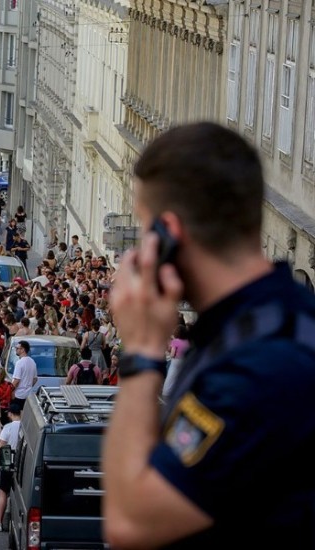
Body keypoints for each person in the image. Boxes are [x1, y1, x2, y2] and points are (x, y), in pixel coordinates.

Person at [103, 122, 315, 548]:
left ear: (169, 234)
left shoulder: (257, 364)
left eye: (145, 230)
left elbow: (130, 523)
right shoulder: (274, 319)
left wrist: (141, 351)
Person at [0, 402, 22, 533]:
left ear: (10, 413)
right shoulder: (26, 426)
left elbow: (1, 445)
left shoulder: (8, 427)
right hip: (22, 462)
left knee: (2, 491)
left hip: (8, 462)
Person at [10, 340, 37, 409]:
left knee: (16, 413)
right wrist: (28, 386)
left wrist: (11, 391)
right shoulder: (32, 362)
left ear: (22, 350)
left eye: (17, 348)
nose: (16, 350)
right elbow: (35, 379)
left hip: (18, 395)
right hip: (28, 395)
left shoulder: (19, 363)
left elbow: (16, 380)